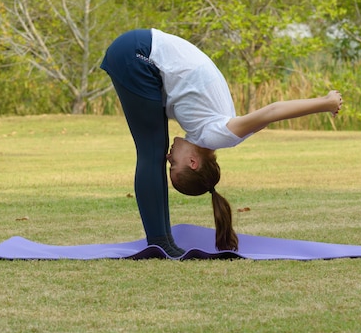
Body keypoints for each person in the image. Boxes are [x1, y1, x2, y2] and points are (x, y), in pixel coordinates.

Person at [100, 28, 342, 258]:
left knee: (154, 151)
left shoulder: (202, 129)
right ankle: (160, 242)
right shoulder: (217, 134)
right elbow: (272, 112)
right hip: (136, 54)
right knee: (152, 153)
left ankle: (163, 239)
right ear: (193, 162)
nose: (169, 159)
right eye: (173, 165)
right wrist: (326, 102)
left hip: (140, 52)